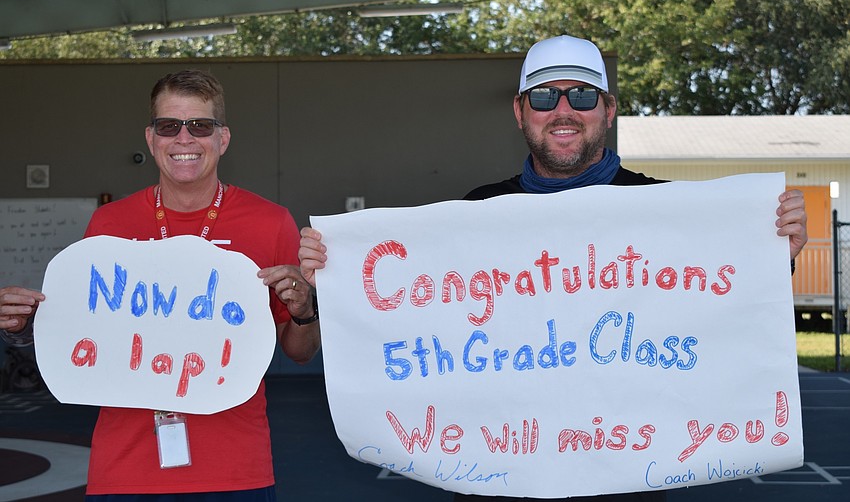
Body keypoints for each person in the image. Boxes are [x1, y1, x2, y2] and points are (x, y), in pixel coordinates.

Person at [296, 34, 809, 502]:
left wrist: (770, 254)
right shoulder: (474, 215)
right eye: (544, 97)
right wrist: (338, 274)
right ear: (520, 113)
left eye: (582, 96)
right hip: (502, 479)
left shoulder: (662, 209)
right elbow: (417, 324)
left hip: (627, 480)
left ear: (607, 110)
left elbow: (717, 309)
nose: (563, 110)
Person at [0, 69, 320, 501]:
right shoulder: (109, 224)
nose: (184, 139)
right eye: (169, 126)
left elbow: (300, 352)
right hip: (125, 466)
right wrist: (23, 328)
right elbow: (85, 343)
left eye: (200, 126)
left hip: (234, 468)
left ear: (222, 139)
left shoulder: (270, 221)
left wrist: (306, 308)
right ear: (151, 139)